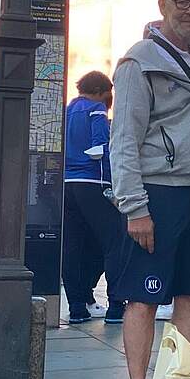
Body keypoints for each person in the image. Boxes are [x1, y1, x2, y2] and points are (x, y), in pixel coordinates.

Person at [110, 0, 190, 379]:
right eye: (182, 2)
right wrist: (135, 207)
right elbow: (123, 139)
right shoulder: (138, 63)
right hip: (158, 193)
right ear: (162, 4)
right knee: (143, 298)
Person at [62, 70, 124, 324]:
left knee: (73, 246)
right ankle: (116, 306)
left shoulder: (67, 110)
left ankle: (77, 307)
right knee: (114, 241)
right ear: (100, 91)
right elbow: (100, 147)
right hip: (93, 181)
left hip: (67, 184)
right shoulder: (96, 110)